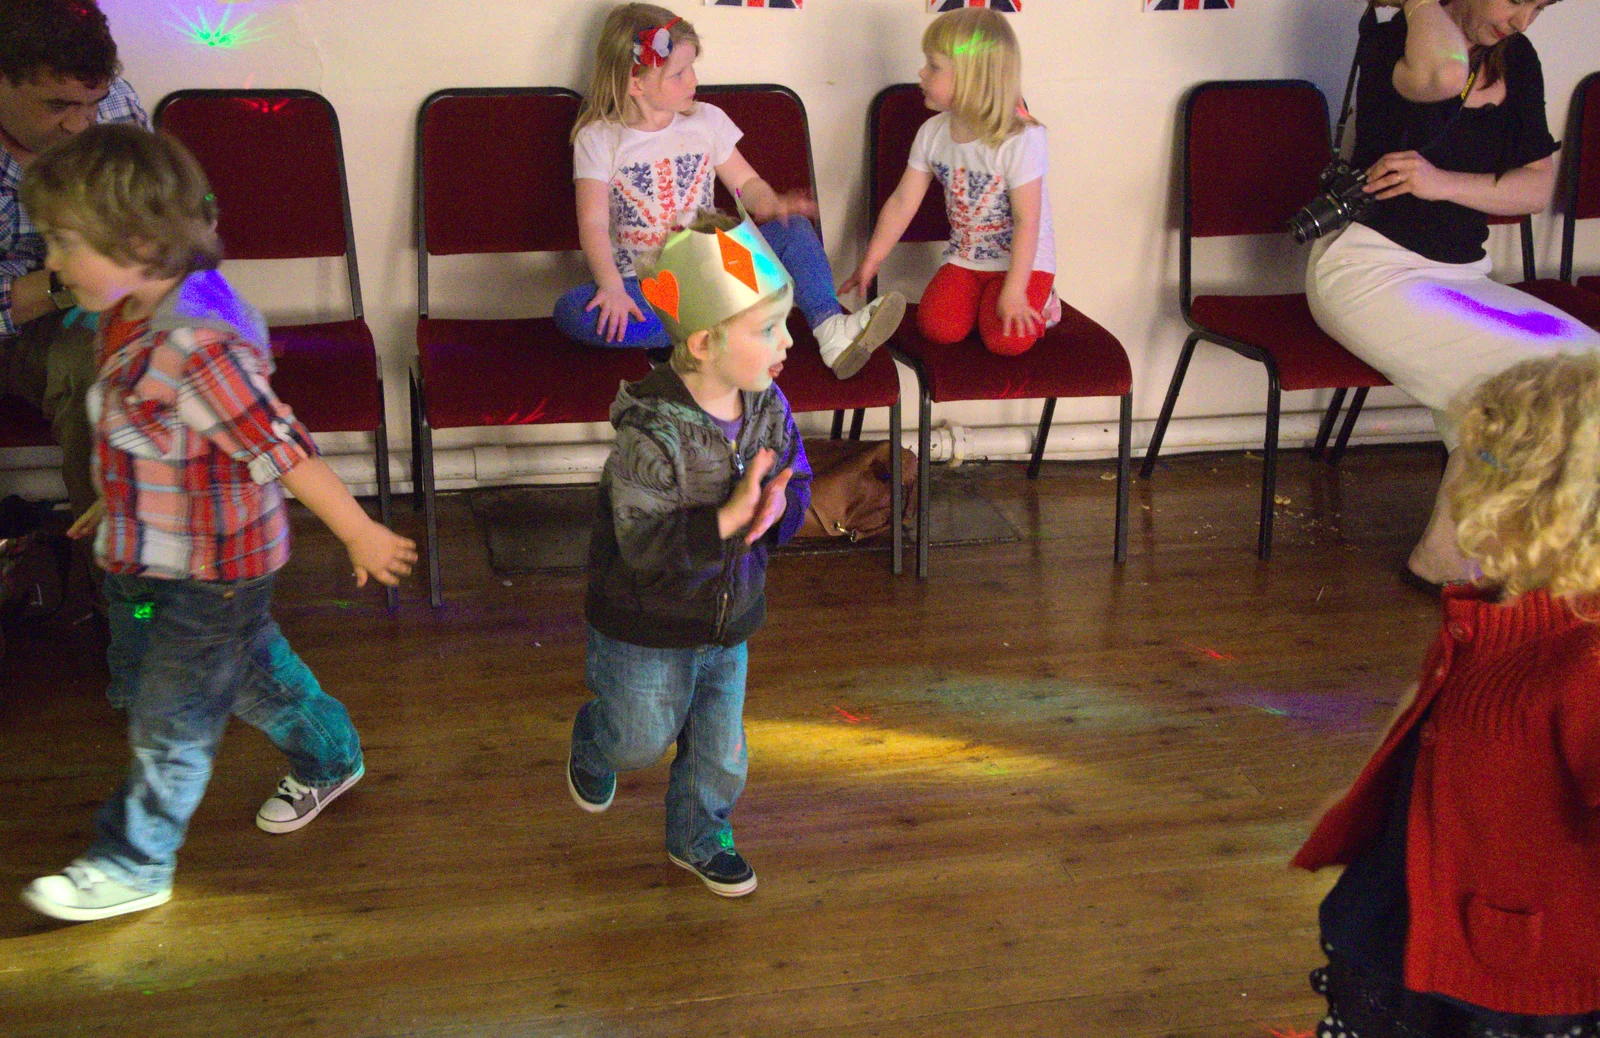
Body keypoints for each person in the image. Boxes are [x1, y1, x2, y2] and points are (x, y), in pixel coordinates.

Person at [17, 125, 417, 922]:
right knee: (225, 674)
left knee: (175, 715)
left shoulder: (198, 344)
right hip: (142, 556)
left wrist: (357, 530)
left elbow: (280, 448)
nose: (51, 264)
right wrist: (113, 495)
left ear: (135, 240)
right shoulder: (124, 311)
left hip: (213, 574)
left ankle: (135, 861)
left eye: (63, 243)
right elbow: (159, 434)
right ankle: (330, 754)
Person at [1294, 353, 1600, 1038]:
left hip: (1510, 957)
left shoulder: (1587, 660)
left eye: (1479, 464)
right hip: (1421, 892)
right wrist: (1356, 801)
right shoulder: (1493, 610)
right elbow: (1426, 701)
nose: (1457, 480)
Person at [1305, 0, 1600, 590]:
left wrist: (1440, 184)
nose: (1521, 21)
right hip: (1371, 272)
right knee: (1542, 384)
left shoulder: (1519, 59)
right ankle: (1477, 558)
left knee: (1583, 364)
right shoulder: (1400, 43)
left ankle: (1446, 557)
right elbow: (1441, 75)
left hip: (1463, 276)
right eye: (1516, 1)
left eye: (1537, 8)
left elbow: (1534, 187)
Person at [566, 205, 812, 898]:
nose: (786, 342)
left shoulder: (769, 404)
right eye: (768, 329)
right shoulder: (652, 432)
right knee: (637, 740)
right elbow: (642, 544)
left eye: (783, 322)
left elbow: (797, 472)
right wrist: (727, 516)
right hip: (644, 626)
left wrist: (777, 511)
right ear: (703, 343)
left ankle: (700, 835)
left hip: (728, 620)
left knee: (720, 753)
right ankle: (595, 738)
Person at [555, 3, 904, 380]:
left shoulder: (706, 120)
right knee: (573, 311)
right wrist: (610, 287)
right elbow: (592, 220)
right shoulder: (600, 138)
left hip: (716, 269)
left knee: (793, 230)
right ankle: (731, 335)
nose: (693, 81)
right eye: (678, 74)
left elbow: (747, 183)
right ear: (634, 84)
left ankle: (831, 329)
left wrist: (773, 203)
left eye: (692, 68)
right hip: (646, 287)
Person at [841, 7, 1060, 357]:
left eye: (934, 65)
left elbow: (1027, 220)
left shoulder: (1021, 138)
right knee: (937, 328)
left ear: (972, 78)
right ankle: (984, 305)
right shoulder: (932, 133)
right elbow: (902, 202)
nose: (921, 72)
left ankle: (1044, 301)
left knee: (1007, 342)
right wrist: (872, 259)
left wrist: (1015, 290)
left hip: (1024, 263)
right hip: (966, 258)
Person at [1, 0, 147, 519]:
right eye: (57, 105)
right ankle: (121, 584)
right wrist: (74, 280)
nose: (81, 126)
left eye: (92, 102)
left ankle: (166, 569)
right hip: (16, 332)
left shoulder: (116, 105)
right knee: (99, 367)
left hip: (108, 306)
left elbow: (161, 215)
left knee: (162, 358)